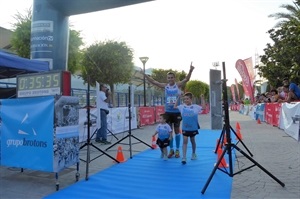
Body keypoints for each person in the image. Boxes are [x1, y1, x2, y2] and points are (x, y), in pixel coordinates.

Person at [143, 63, 195, 158]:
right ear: (167, 79)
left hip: (176, 112)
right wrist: (145, 75)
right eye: (169, 78)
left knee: (176, 131)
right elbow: (154, 82)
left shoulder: (177, 85)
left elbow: (186, 79)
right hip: (168, 112)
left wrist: (191, 70)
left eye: (172, 77)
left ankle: (177, 150)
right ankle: (171, 149)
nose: (170, 79)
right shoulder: (165, 86)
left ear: (174, 78)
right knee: (169, 132)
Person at [174, 92, 205, 164]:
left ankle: (193, 153)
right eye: (184, 99)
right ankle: (184, 157)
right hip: (185, 128)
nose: (186, 100)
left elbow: (203, 107)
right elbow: (175, 107)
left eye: (187, 99)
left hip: (193, 128)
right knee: (185, 141)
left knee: (192, 141)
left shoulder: (195, 107)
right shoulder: (182, 107)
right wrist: (178, 97)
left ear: (191, 99)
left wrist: (202, 99)